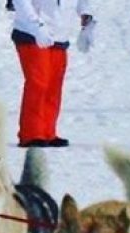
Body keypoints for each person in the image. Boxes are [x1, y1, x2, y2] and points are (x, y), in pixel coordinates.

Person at [11, 0, 94, 147]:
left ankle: (48, 132)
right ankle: (31, 133)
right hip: (32, 33)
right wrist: (36, 26)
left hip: (59, 34)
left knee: (53, 86)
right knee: (38, 82)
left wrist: (86, 18)